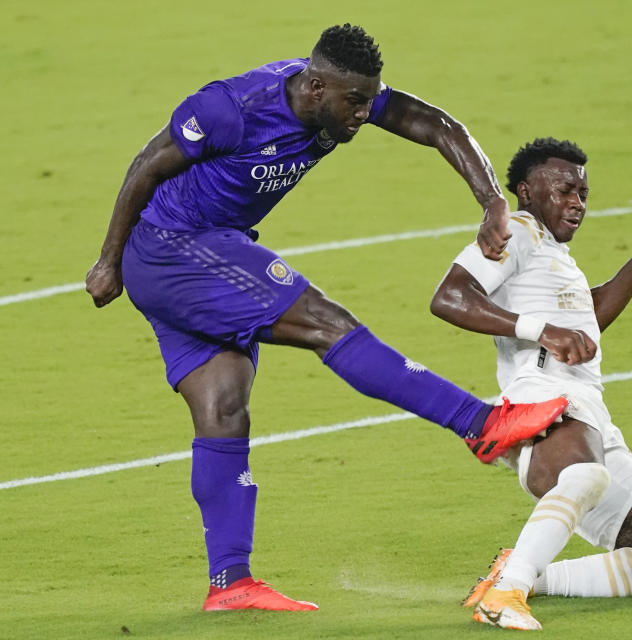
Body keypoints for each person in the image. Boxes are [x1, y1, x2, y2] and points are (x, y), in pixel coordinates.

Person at [84, 25, 568, 612]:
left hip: (196, 255)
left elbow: (436, 125)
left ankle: (230, 583)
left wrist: (491, 198)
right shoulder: (230, 108)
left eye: (370, 100)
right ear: (316, 89)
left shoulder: (339, 95)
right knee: (324, 321)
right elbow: (145, 166)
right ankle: (479, 424)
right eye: (355, 103)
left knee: (223, 404)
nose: (365, 114)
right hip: (174, 247)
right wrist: (109, 261)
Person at [430, 137, 632, 630]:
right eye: (564, 189)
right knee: (583, 478)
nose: (577, 201)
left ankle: (524, 576)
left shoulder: (554, 255)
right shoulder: (517, 231)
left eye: (582, 192)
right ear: (526, 191)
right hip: (542, 396)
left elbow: (587, 320)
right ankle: (507, 594)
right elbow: (449, 297)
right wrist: (541, 330)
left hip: (589, 409)